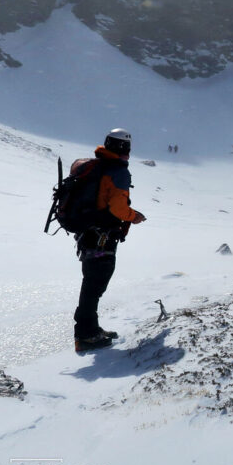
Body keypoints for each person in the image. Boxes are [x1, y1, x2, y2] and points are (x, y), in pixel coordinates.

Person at [73, 128, 146, 352]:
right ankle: (85, 335)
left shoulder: (96, 166)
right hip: (102, 237)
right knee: (94, 285)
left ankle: (91, 329)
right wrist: (134, 217)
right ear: (124, 149)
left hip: (88, 233)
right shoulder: (117, 171)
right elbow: (118, 207)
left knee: (91, 284)